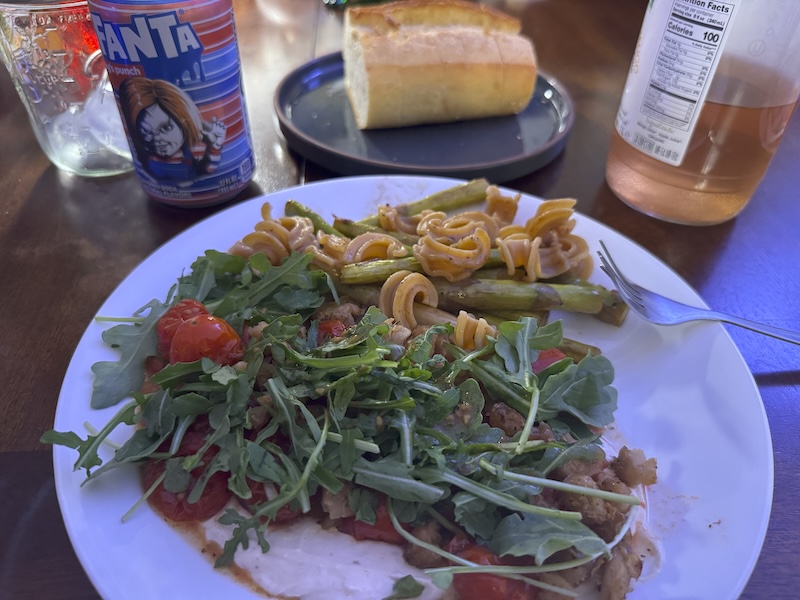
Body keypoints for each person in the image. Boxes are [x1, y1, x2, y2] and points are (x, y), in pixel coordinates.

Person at [118, 77, 226, 181]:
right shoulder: (148, 158)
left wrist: (215, 147)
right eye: (147, 133)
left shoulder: (193, 151)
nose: (157, 139)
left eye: (165, 128)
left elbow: (208, 170)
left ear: (183, 122)